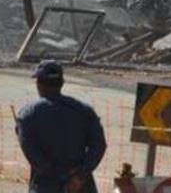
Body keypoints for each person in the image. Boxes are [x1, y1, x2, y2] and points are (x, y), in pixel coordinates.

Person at [15, 60, 107, 193]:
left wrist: (60, 176)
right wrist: (79, 176)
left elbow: (32, 153)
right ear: (62, 83)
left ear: (39, 84)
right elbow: (99, 146)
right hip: (81, 187)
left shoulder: (28, 115)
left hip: (46, 186)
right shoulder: (85, 111)